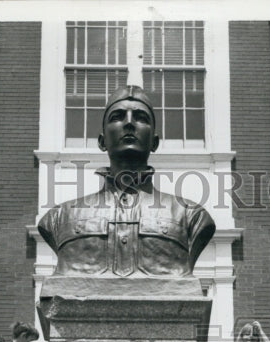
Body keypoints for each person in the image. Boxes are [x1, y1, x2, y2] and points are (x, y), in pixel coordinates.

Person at [38, 85, 215, 278]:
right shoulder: (59, 217)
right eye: (117, 117)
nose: (129, 123)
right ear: (102, 141)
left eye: (141, 118)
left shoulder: (192, 216)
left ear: (154, 143)